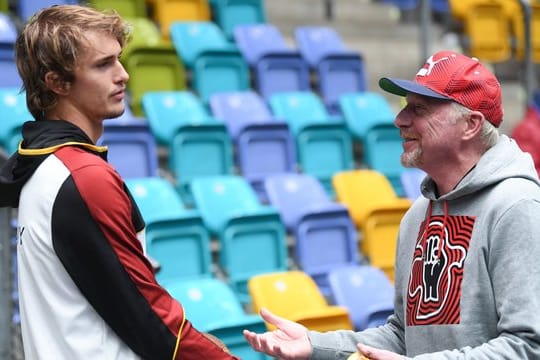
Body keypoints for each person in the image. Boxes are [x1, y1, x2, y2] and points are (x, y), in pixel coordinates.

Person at [243, 50, 540, 359]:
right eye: (404, 107)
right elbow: (402, 335)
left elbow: (530, 345)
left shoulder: (517, 207)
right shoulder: (416, 216)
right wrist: (316, 345)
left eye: (420, 109)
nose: (400, 120)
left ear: (470, 124)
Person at [0, 5, 239, 359]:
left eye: (119, 59)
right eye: (103, 65)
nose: (123, 75)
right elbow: (155, 323)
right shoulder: (83, 177)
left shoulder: (44, 166)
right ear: (56, 82)